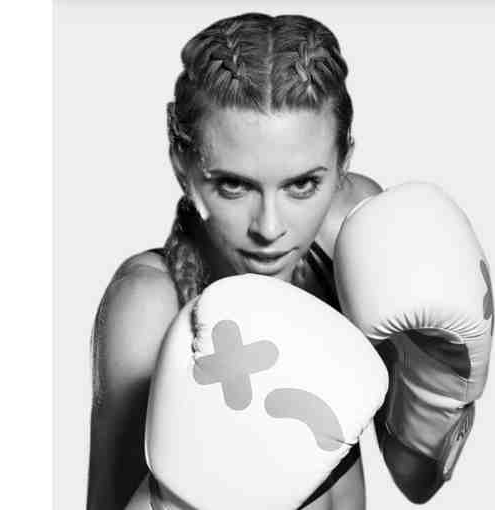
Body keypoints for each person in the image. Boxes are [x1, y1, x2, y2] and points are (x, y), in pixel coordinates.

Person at [87, 13, 384, 510]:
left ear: (343, 165)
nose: (269, 228)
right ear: (183, 166)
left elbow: (420, 476)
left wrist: (436, 384)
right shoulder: (149, 306)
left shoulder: (350, 236)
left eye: (302, 184)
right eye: (233, 185)